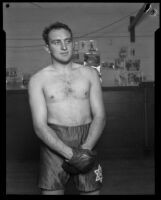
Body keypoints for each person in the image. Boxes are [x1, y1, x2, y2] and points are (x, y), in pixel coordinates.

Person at [28, 22, 106, 195]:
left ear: (72, 43)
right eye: (56, 42)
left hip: (87, 139)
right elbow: (40, 126)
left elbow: (100, 116)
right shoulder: (37, 80)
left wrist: (85, 150)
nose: (64, 47)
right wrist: (70, 154)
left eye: (67, 41)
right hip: (54, 141)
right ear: (47, 48)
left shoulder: (90, 74)